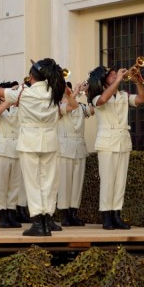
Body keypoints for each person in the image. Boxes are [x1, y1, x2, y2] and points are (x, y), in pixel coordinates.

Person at [0, 58, 67, 237]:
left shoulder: (24, 92)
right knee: (48, 182)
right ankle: (47, 221)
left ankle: (39, 223)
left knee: (33, 183)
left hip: (30, 141)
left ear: (31, 76)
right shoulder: (55, 90)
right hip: (50, 141)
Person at [87, 63, 144, 229]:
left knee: (120, 181)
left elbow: (142, 99)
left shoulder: (122, 96)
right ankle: (106, 215)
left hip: (122, 140)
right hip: (107, 142)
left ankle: (116, 214)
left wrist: (138, 82)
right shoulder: (96, 96)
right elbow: (103, 100)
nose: (116, 76)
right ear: (104, 80)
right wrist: (120, 79)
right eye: (112, 75)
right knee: (108, 181)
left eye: (116, 74)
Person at [0, 81, 24, 229]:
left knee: (14, 185)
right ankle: (2, 214)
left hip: (16, 148)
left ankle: (11, 212)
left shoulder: (19, 109)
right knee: (1, 184)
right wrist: (8, 100)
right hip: (1, 149)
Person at [57, 81, 92, 227]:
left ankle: (73, 213)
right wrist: (74, 92)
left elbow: (96, 108)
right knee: (65, 183)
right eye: (68, 90)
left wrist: (90, 91)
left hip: (79, 148)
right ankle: (64, 214)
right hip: (65, 149)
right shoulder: (58, 107)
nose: (71, 92)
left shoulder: (82, 107)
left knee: (77, 183)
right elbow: (71, 105)